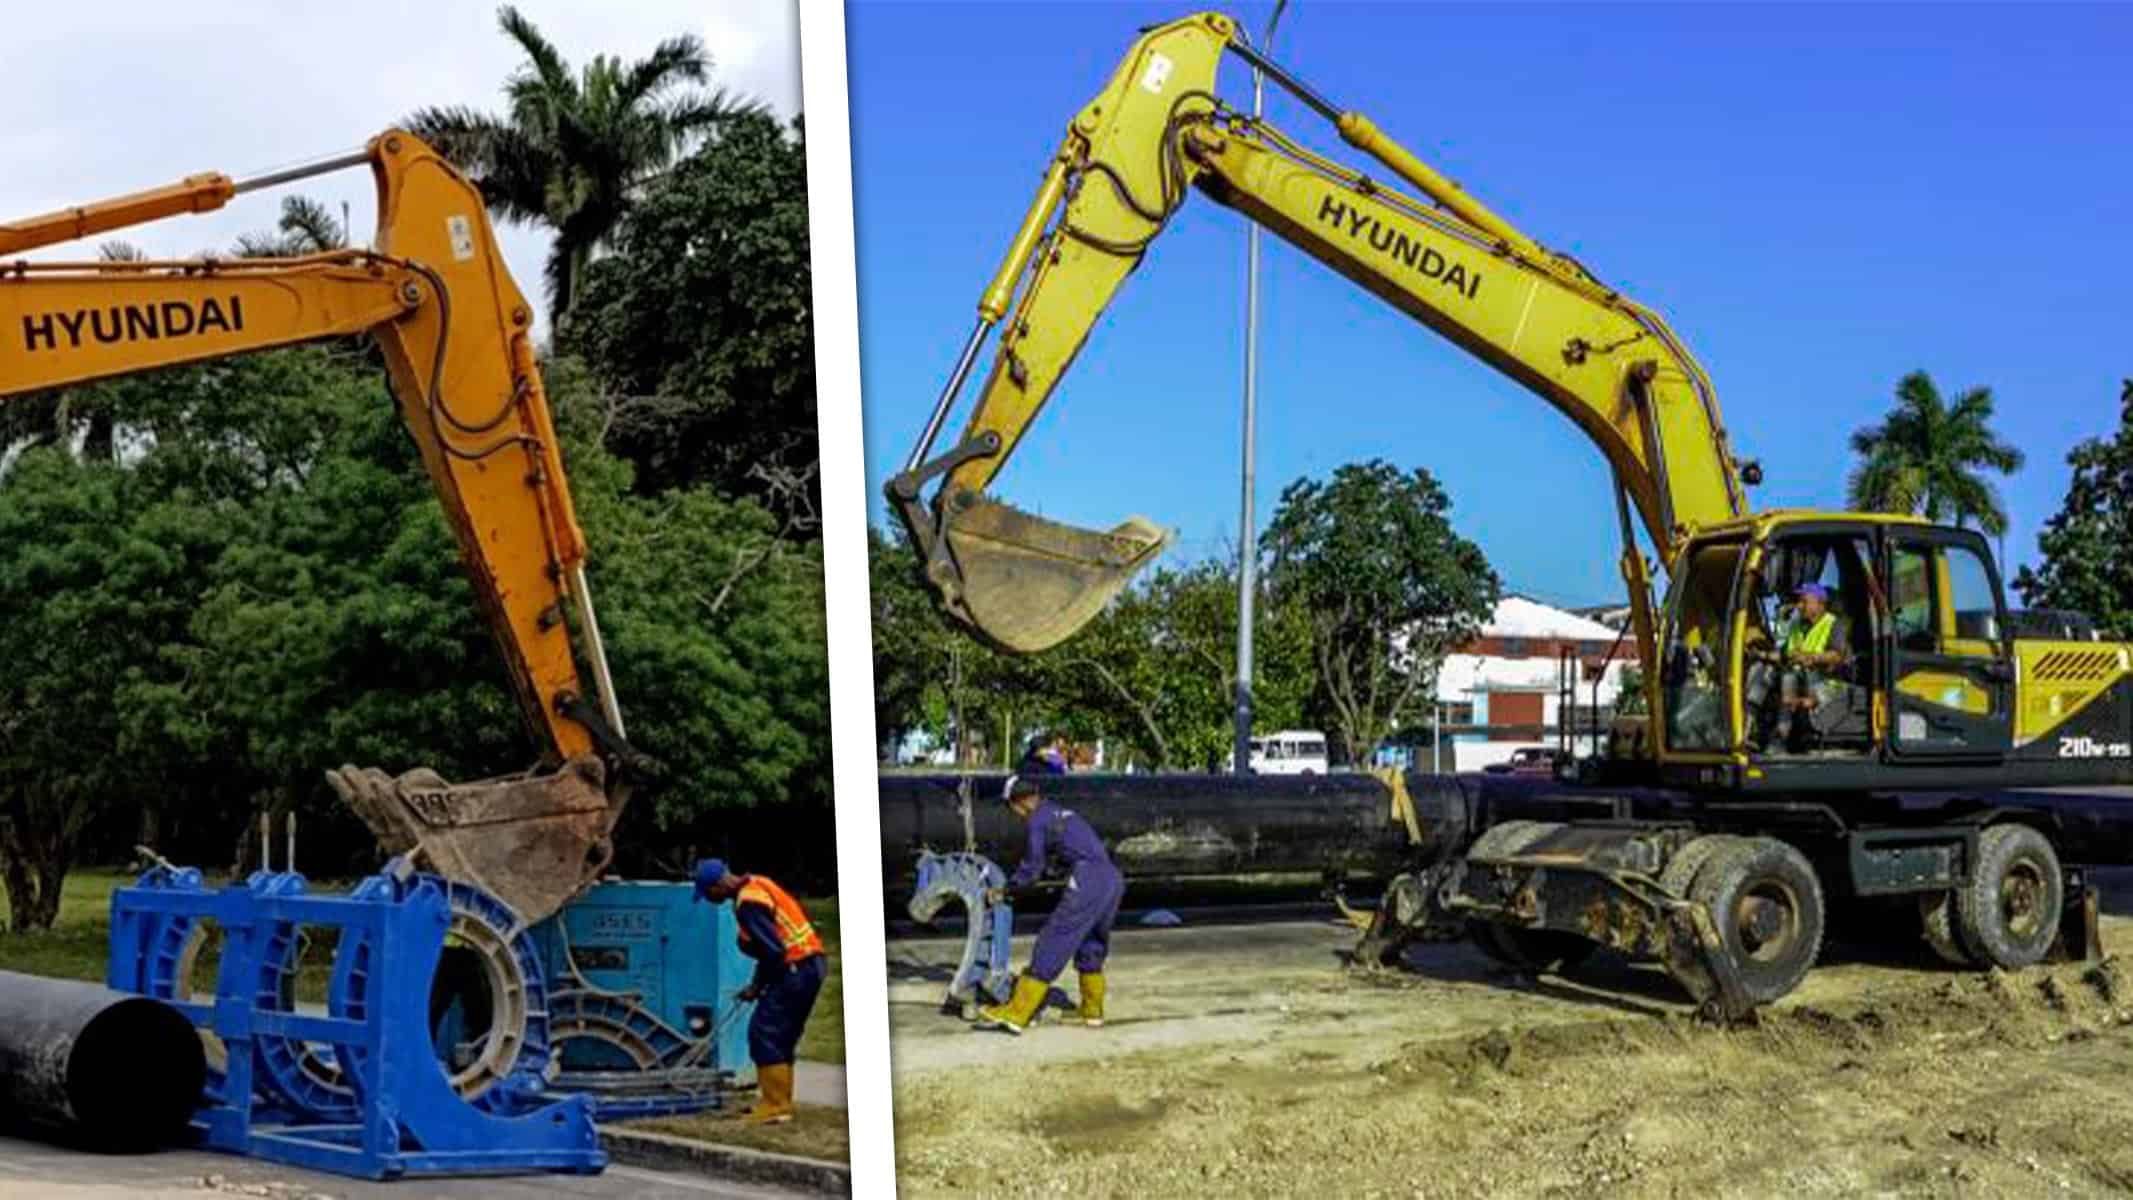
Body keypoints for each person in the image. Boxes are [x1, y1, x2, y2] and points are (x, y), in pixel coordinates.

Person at [976, 774, 1123, 1034]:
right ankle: (1092, 1010)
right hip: (1112, 878)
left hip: (1088, 879)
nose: (1013, 813)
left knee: (1053, 939)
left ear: (1018, 802)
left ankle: (1017, 1012)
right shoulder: (1059, 812)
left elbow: (1032, 867)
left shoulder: (1037, 821)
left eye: (1011, 807)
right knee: (1091, 941)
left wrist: (1008, 889)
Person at [693, 858, 828, 1124]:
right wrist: (757, 985)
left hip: (794, 969)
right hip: (810, 964)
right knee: (781, 1037)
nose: (708, 900)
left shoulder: (748, 904)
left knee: (764, 1033)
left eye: (707, 894)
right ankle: (780, 1104)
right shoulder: (758, 883)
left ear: (718, 886)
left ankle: (774, 1106)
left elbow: (773, 951)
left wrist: (757, 986)